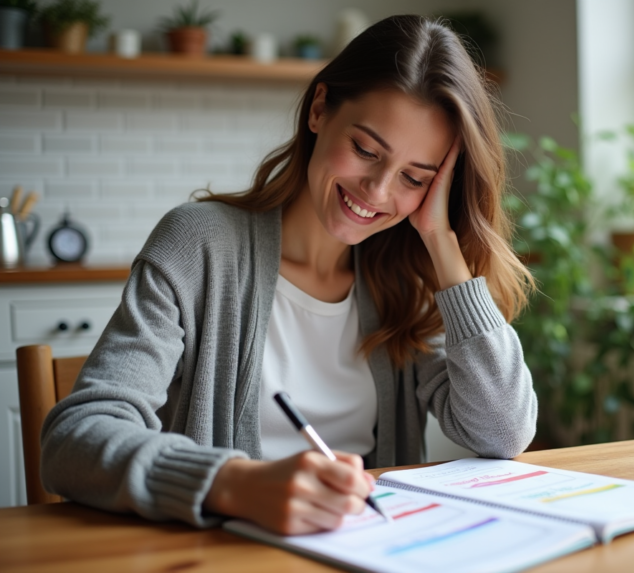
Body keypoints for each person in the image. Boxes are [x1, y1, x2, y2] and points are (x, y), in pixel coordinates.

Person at [40, 15, 537, 536]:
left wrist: (442, 242)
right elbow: (74, 440)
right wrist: (235, 485)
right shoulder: (199, 245)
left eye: (415, 178)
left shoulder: (410, 281)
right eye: (366, 151)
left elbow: (503, 433)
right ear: (320, 109)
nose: (378, 191)